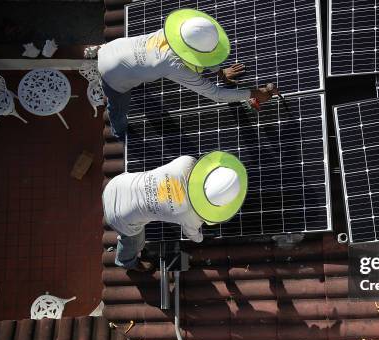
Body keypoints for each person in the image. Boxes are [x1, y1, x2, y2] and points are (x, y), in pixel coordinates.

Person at [98, 8, 278, 139]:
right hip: (111, 74)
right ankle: (119, 132)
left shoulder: (181, 30)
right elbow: (215, 94)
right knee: (118, 108)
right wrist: (254, 94)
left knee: (138, 73)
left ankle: (132, 77)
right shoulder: (174, 65)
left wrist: (221, 73)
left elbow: (204, 52)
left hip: (115, 48)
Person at [102, 152, 247, 272]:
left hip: (117, 184)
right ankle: (126, 262)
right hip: (118, 216)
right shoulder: (192, 216)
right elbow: (194, 237)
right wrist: (201, 237)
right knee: (135, 243)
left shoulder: (187, 162)